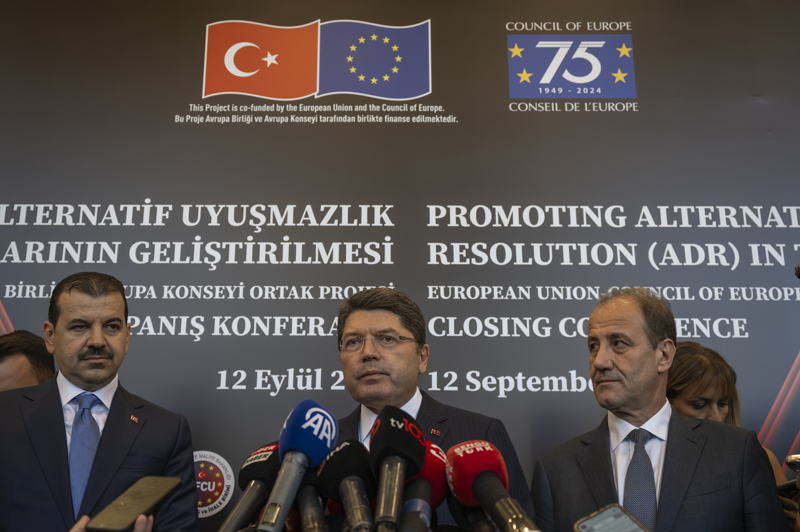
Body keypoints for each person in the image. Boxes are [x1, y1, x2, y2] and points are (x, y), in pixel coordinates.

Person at [530, 287, 786, 532]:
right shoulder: (555, 471)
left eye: (618, 343)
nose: (599, 361)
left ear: (664, 355)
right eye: (593, 346)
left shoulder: (737, 452)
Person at [0, 272, 199, 532]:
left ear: (127, 336)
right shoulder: (5, 414)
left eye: (111, 327)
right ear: (50, 336)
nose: (97, 341)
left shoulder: (167, 430)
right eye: (80, 326)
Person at [335, 287, 534, 525]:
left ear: (422, 357)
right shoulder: (323, 447)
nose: (368, 353)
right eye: (353, 341)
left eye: (387, 338)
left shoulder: (481, 434)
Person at [667, 341, 797, 530]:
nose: (716, 417)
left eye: (723, 404)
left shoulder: (760, 459)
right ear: (665, 404)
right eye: (699, 405)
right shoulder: (649, 461)